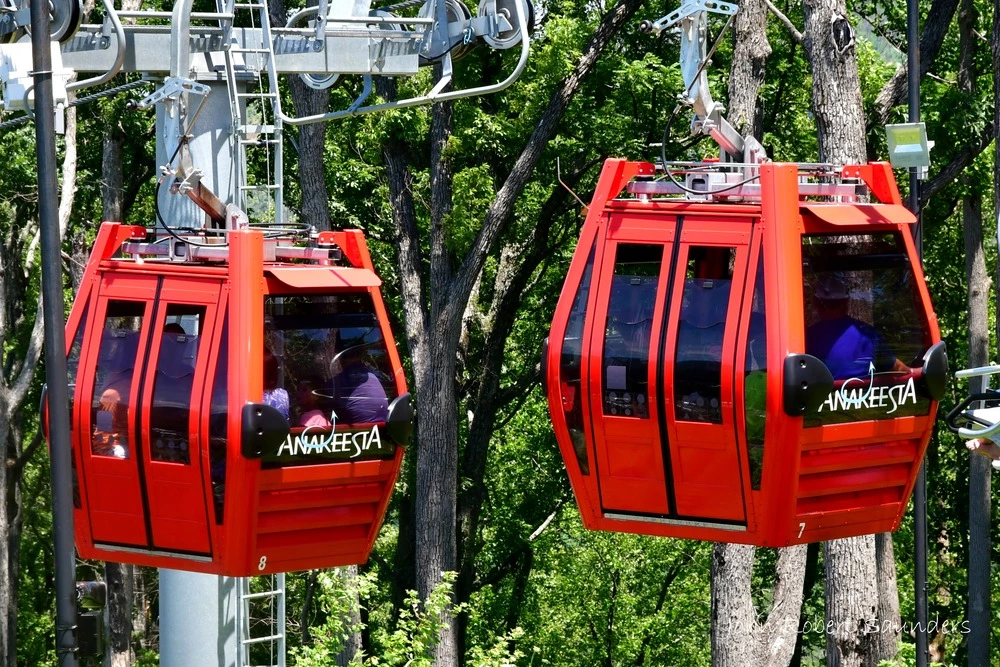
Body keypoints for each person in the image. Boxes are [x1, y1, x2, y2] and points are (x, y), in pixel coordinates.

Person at [805, 273, 909, 380]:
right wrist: (917, 372)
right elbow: (898, 369)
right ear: (846, 302)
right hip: (863, 396)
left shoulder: (805, 338)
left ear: (816, 302)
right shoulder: (867, 334)